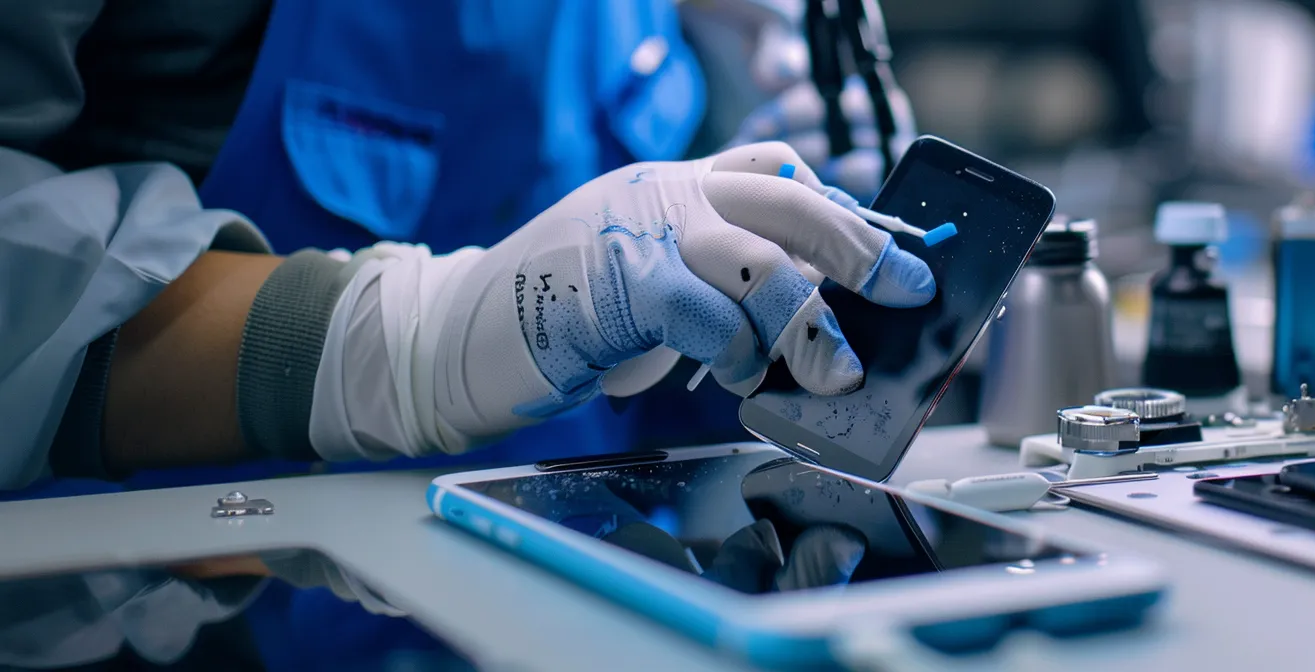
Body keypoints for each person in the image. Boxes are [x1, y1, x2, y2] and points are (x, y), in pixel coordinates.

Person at [0, 0, 923, 667]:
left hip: (589, 616)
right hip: (181, 615)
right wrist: (411, 345)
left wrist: (739, 171)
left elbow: (662, 361)